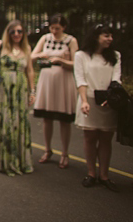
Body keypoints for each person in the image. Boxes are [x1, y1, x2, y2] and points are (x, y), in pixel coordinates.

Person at [0, 20, 35, 176]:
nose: (17, 34)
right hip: (3, 90)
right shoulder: (0, 45)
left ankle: (19, 159)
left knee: (18, 122)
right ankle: (1, 158)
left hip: (20, 89)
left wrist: (32, 91)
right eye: (13, 32)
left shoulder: (26, 48)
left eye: (20, 31)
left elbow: (30, 71)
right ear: (8, 33)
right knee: (4, 121)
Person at [74, 24, 121, 192]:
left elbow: (117, 79)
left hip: (108, 102)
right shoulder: (81, 56)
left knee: (106, 139)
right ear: (96, 37)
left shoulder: (115, 56)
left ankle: (104, 175)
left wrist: (111, 96)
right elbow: (80, 79)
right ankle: (91, 173)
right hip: (89, 100)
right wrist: (84, 100)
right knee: (90, 138)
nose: (110, 39)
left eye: (111, 36)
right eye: (106, 36)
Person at [31, 14, 79, 169]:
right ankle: (47, 149)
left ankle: (64, 153)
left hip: (63, 80)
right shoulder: (45, 38)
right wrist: (41, 55)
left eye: (57, 28)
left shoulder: (71, 41)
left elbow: (77, 63)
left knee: (64, 119)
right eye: (52, 28)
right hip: (47, 80)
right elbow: (32, 56)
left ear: (63, 27)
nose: (54, 31)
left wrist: (61, 61)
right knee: (47, 118)